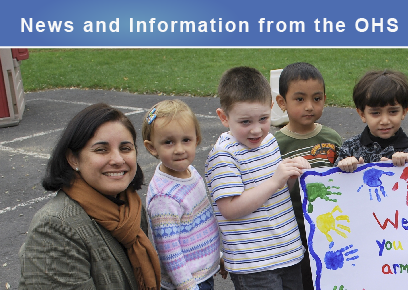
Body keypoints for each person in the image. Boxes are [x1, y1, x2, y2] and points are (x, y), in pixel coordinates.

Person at [19, 103, 161, 290]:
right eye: (101, 149)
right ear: (73, 159)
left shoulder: (130, 208)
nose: (118, 160)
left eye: (125, 148)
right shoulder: (55, 228)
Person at [205, 66, 310, 290]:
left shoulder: (269, 141)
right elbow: (230, 209)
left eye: (263, 118)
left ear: (271, 107)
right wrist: (275, 180)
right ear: (224, 117)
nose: (256, 130)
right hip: (253, 263)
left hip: (288, 251)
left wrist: (292, 174)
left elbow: (277, 191)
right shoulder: (224, 155)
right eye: (245, 122)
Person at [141, 99, 224, 290]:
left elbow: (199, 224)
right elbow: (170, 253)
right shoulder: (164, 197)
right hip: (188, 283)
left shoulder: (190, 172)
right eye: (168, 142)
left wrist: (217, 257)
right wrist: (188, 287)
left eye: (186, 140)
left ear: (197, 139)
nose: (179, 149)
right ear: (152, 147)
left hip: (202, 274)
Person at [273, 62, 342, 290]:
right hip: (293, 234)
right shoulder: (274, 144)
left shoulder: (332, 138)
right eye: (300, 99)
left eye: (317, 98)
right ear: (282, 102)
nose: (309, 106)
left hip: (330, 229)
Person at [336, 69, 408, 172]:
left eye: (393, 111)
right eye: (375, 113)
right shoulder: (350, 148)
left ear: (404, 112)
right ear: (362, 114)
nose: (385, 121)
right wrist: (344, 167)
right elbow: (333, 181)